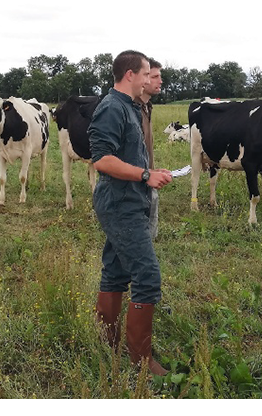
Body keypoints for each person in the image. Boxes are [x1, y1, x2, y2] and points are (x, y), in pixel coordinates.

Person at [89, 50, 172, 376]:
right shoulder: (112, 108)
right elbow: (102, 160)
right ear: (129, 75)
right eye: (145, 74)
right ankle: (140, 360)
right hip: (119, 204)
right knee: (147, 276)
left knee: (115, 272)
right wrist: (144, 175)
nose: (148, 79)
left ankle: (106, 340)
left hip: (129, 200)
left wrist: (149, 171)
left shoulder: (128, 107)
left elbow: (126, 155)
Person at [136, 58, 164, 240]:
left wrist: (153, 171)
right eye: (154, 76)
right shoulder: (130, 109)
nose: (160, 81)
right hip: (135, 181)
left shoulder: (147, 107)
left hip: (147, 176)